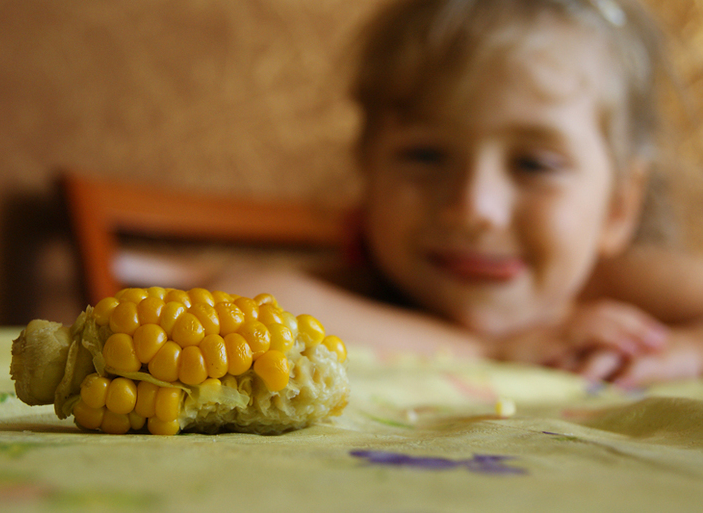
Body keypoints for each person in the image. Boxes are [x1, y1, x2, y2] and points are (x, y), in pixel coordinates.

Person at [211, 0, 703, 388]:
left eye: (535, 164)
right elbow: (233, 297)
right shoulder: (376, 291)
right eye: (425, 156)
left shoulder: (617, 287)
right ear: (368, 172)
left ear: (618, 207)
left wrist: (682, 349)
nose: (474, 208)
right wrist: (493, 351)